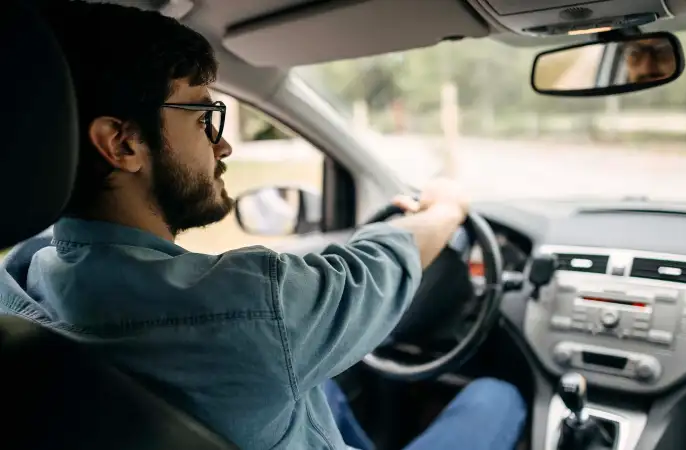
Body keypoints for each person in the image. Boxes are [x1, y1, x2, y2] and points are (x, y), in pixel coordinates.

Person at [12, 2, 527, 449]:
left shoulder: (20, 287)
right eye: (203, 118)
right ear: (122, 144)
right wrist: (445, 209)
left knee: (318, 387)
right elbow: (377, 268)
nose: (224, 145)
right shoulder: (249, 308)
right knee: (495, 396)